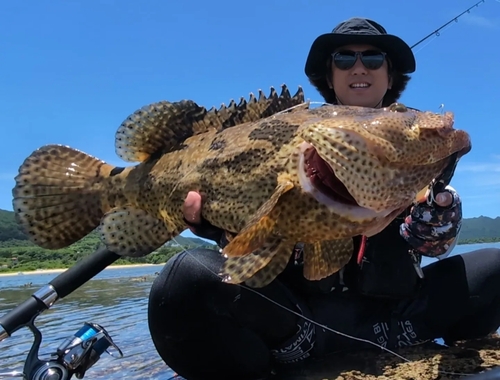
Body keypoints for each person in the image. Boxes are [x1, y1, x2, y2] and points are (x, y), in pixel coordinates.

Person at [148, 18, 500, 380]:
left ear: (390, 76)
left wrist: (437, 216)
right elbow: (251, 250)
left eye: (374, 58)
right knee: (187, 277)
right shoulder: (290, 137)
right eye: (344, 59)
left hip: (394, 323)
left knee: (495, 265)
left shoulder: (413, 144)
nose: (359, 67)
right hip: (298, 326)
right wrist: (215, 225)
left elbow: (433, 244)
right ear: (329, 77)